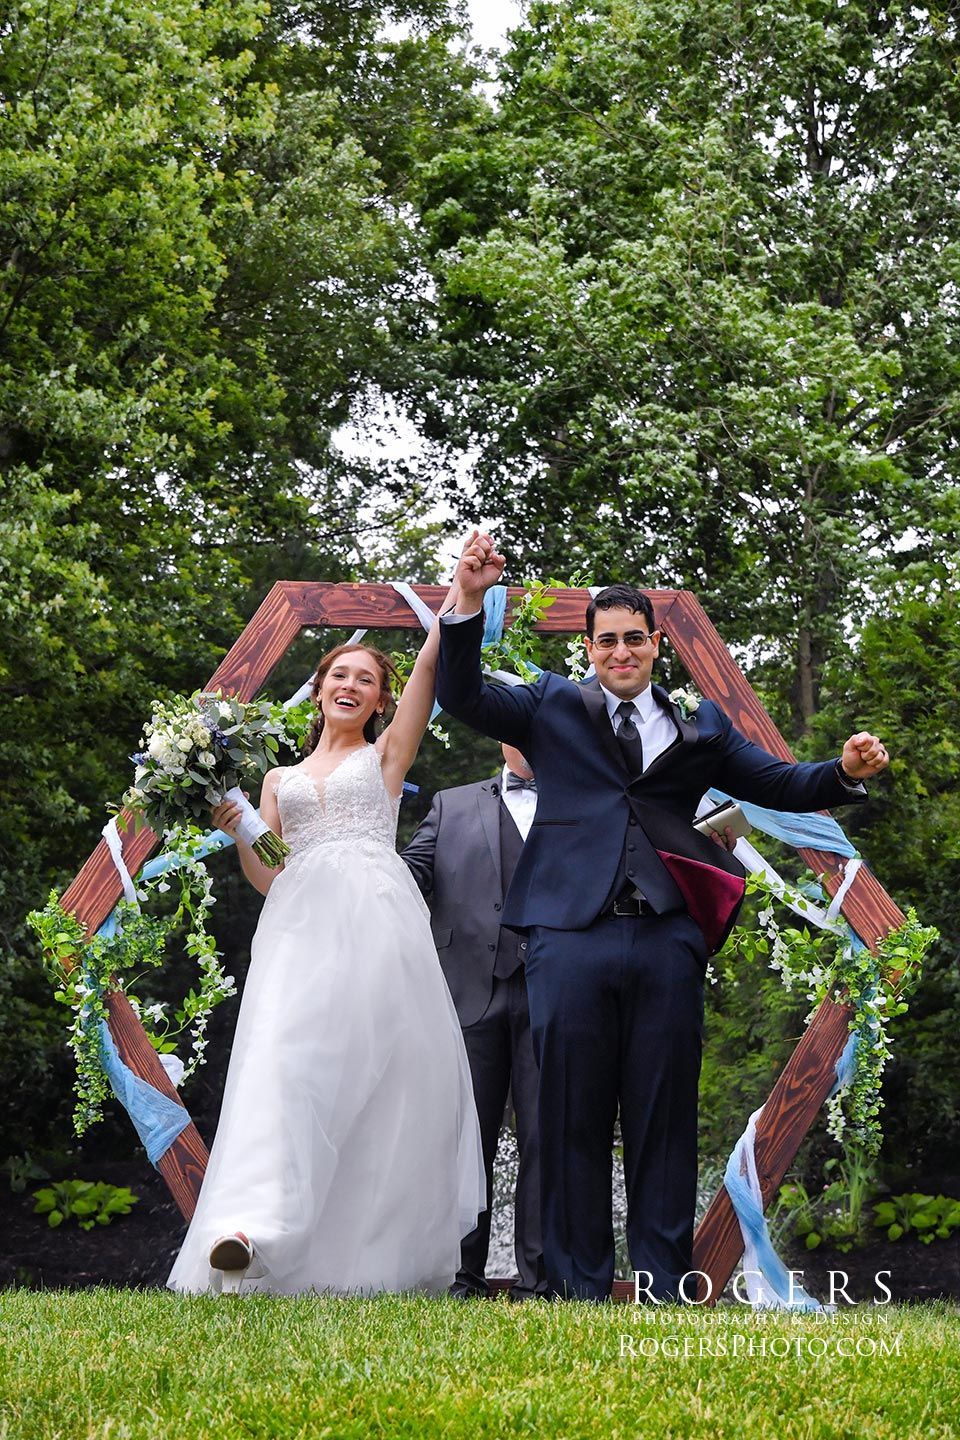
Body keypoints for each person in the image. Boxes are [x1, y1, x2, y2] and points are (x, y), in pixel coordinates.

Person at [435, 532, 890, 1302]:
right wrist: (469, 599)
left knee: (663, 1114)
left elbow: (778, 781)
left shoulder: (700, 727)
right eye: (607, 640)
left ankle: (659, 1281)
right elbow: (463, 695)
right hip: (566, 936)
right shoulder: (549, 706)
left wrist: (842, 774)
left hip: (667, 937)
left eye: (634, 639)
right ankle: (576, 1286)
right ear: (589, 648)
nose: (621, 651)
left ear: (655, 646)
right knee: (569, 1113)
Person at [167, 569, 485, 1296]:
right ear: (317, 690)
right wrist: (242, 827)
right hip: (298, 929)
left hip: (375, 926)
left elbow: (431, 670)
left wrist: (458, 600)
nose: (350, 685)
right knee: (285, 1067)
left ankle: (363, 1259)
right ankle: (249, 1231)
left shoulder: (387, 758)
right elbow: (268, 874)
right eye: (338, 673)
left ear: (379, 699)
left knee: (375, 1081)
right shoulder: (277, 780)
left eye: (365, 679)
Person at [402, 743, 547, 1301]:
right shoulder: (450, 804)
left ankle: (540, 1280)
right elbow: (409, 874)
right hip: (465, 991)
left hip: (553, 993)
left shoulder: (588, 799)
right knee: (465, 1139)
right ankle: (461, 1277)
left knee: (546, 1138)